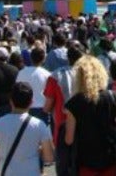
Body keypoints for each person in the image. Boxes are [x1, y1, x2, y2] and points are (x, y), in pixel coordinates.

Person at [64, 55, 116, 176]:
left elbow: (69, 140)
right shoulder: (112, 96)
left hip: (86, 161)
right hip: (110, 157)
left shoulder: (74, 103)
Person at [0, 82, 54, 176]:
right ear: (31, 103)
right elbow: (49, 157)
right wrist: (38, 150)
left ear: (11, 101)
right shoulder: (39, 125)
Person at [44, 41, 85, 176]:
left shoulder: (55, 76)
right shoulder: (91, 76)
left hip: (62, 126)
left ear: (68, 57)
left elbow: (48, 105)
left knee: (64, 166)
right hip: (87, 125)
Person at [15, 46, 51, 124]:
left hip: (24, 107)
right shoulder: (47, 75)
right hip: (41, 109)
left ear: (31, 58)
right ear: (43, 59)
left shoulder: (21, 72)